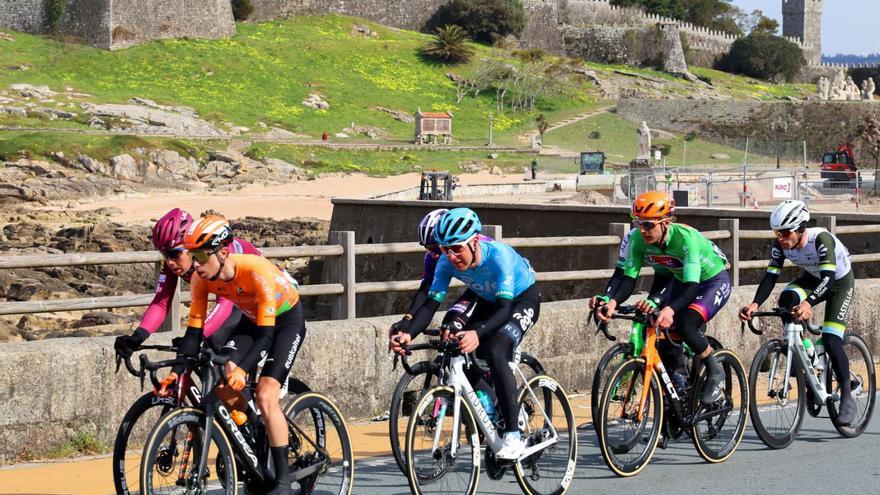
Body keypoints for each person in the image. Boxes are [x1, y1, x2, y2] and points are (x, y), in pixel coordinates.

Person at [391, 208, 540, 460]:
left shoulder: (499, 256)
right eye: (445, 249)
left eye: (457, 248)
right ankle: (492, 407)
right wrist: (409, 333)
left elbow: (504, 309)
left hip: (520, 299)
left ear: (474, 241)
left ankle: (513, 435)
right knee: (459, 349)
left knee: (495, 350)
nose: (451, 256)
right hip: (487, 298)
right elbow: (430, 304)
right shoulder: (445, 261)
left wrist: (478, 333)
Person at [173, 215, 306, 495]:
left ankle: (282, 481)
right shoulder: (201, 279)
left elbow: (267, 335)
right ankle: (256, 431)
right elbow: (194, 332)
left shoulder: (256, 270)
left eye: (199, 255)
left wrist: (243, 370)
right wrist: (178, 369)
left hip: (284, 321)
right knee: (223, 384)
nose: (194, 264)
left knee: (266, 394)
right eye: (191, 256)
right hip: (250, 318)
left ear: (223, 252)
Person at [598, 191, 731, 405]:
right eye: (638, 223)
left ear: (666, 222)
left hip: (711, 281)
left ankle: (715, 370)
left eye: (649, 225)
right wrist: (612, 302)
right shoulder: (637, 239)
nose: (643, 230)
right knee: (657, 326)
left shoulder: (685, 238)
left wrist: (670, 309)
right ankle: (678, 384)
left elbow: (692, 286)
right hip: (680, 280)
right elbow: (628, 279)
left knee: (686, 324)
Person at [739, 200, 857, 425]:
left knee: (832, 340)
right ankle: (805, 351)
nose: (781, 238)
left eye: (785, 232)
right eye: (777, 232)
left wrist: (809, 304)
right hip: (812, 279)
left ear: (800, 229)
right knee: (787, 299)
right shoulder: (780, 245)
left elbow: (829, 279)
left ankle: (847, 397)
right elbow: (771, 276)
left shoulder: (820, 239)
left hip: (839, 283)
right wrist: (755, 304)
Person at [113, 208, 260, 359]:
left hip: (265, 297)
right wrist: (138, 336)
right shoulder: (173, 262)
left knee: (216, 342)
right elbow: (161, 302)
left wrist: (194, 337)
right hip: (237, 299)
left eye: (174, 254)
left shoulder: (214, 254)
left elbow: (225, 303)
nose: (170, 262)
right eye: (165, 254)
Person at [388, 209, 492, 343]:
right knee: (447, 325)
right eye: (428, 248)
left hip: (489, 288)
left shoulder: (474, 247)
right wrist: (408, 319)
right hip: (474, 287)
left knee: (459, 326)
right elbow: (426, 289)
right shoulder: (433, 257)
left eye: (436, 248)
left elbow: (484, 289)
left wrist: (460, 320)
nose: (434, 255)